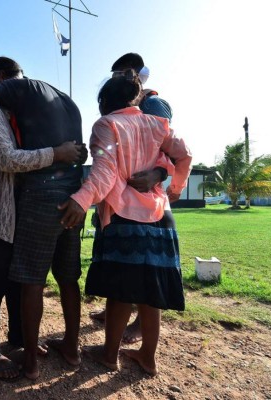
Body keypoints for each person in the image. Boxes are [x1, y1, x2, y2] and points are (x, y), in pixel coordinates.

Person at [59, 69, 192, 376]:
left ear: (105, 101)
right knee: (150, 290)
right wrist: (173, 189)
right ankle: (147, 356)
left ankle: (109, 354)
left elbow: (104, 172)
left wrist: (80, 199)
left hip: (124, 216)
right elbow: (185, 155)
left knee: (120, 291)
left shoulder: (107, 124)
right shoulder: (158, 124)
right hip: (158, 217)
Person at [0, 58, 84, 380]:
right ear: (2, 80)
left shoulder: (4, 112)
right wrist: (57, 153)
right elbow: (6, 159)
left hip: (7, 212)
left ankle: (18, 340)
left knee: (16, 279)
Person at [89, 52, 174, 345]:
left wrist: (158, 173)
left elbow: (167, 147)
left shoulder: (150, 104)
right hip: (126, 201)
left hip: (141, 204)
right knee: (127, 275)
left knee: (134, 277)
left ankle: (134, 326)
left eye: (123, 74)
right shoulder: (124, 110)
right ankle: (122, 320)